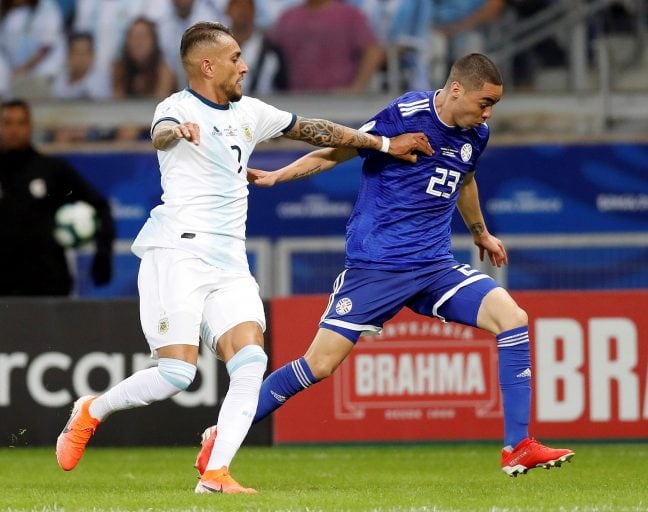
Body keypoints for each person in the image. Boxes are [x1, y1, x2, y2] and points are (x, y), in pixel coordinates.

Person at [54, 21, 433, 494]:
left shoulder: (251, 111)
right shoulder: (175, 107)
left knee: (251, 360)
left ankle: (216, 474)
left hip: (229, 262)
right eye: (235, 57)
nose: (245, 65)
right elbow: (161, 135)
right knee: (177, 374)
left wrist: (381, 144)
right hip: (178, 253)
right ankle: (92, 410)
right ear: (207, 65)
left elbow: (314, 130)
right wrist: (177, 131)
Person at [193, 53, 575, 478]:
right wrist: (280, 176)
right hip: (377, 267)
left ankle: (517, 446)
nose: (488, 113)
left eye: (494, 106)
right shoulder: (406, 114)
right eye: (484, 102)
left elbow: (465, 178)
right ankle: (222, 434)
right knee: (319, 365)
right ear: (455, 90)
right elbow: (339, 151)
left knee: (512, 317)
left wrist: (480, 233)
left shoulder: (476, 134)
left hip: (434, 267)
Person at [0, 99, 114, 296]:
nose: (14, 130)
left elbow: (100, 206)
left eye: (20, 123)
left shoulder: (52, 170)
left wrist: (103, 254)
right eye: (7, 123)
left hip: (47, 284)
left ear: (30, 127)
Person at [269, 0, 384, 93]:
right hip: (298, 100)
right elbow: (269, 50)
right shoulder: (287, 17)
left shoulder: (350, 15)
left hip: (339, 101)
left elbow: (373, 51)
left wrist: (356, 87)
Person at [226, 0, 286, 95]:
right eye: (237, 6)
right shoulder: (212, 48)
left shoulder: (270, 52)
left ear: (255, 12)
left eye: (248, 7)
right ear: (227, 10)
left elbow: (282, 88)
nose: (242, 11)